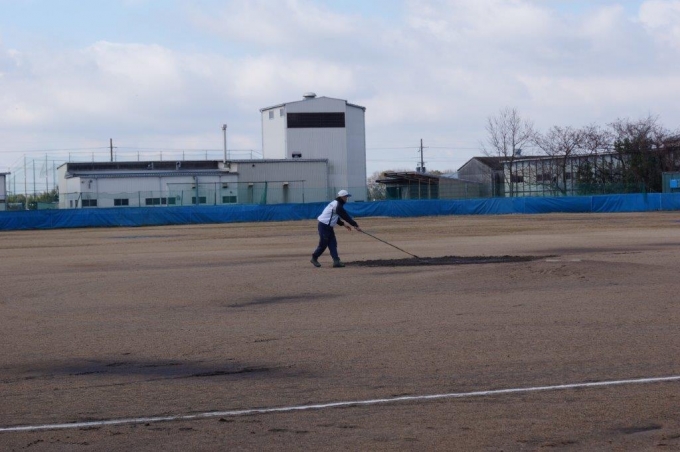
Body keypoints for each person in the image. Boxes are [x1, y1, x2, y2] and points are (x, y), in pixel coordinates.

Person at [311, 189, 361, 268]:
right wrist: (355, 225)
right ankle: (314, 258)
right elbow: (345, 216)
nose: (347, 198)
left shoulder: (336, 204)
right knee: (323, 244)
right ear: (342, 197)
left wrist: (343, 224)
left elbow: (334, 217)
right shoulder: (337, 205)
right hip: (324, 226)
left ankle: (336, 261)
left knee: (333, 243)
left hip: (328, 226)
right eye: (346, 197)